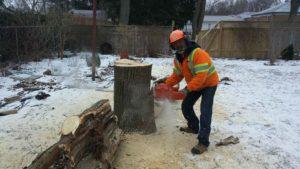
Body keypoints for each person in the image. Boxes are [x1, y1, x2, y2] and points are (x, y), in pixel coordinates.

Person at [164, 30, 219, 154]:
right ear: (173, 46)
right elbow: (177, 75)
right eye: (175, 44)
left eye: (180, 42)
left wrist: (186, 89)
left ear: (185, 40)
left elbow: (201, 77)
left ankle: (203, 142)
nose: (178, 46)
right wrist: (165, 85)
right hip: (196, 85)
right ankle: (194, 126)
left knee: (205, 111)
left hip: (209, 84)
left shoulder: (198, 53)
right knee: (186, 105)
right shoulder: (178, 58)